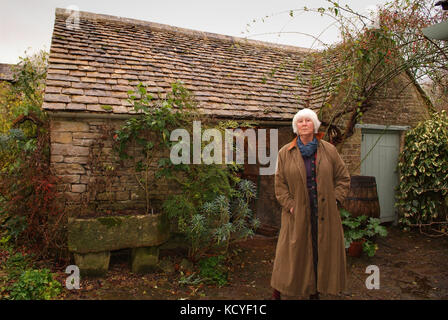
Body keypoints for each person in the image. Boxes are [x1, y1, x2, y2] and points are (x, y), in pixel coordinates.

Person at [271, 108, 350, 300]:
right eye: (300, 121)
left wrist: (335, 200)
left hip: (324, 213)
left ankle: (314, 293)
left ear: (314, 126)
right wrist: (290, 205)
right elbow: (279, 184)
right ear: (295, 127)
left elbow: (343, 178)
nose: (304, 124)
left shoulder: (329, 150)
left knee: (319, 252)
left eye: (308, 121)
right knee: (289, 255)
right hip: (296, 213)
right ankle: (278, 292)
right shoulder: (285, 152)